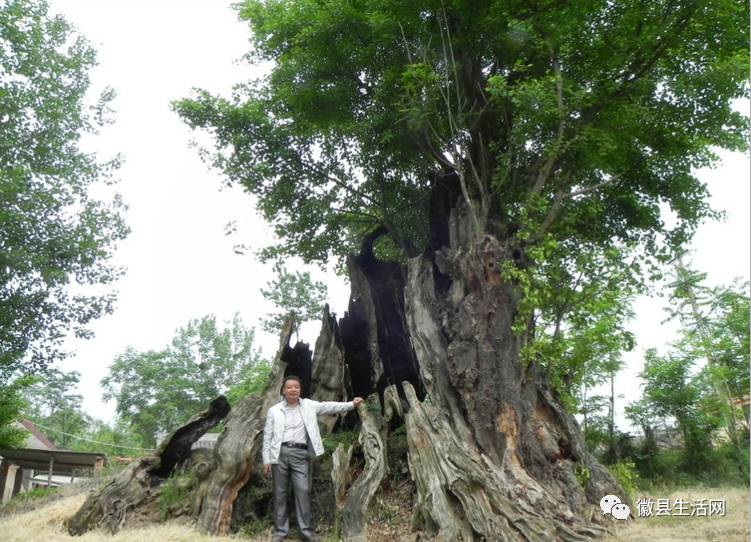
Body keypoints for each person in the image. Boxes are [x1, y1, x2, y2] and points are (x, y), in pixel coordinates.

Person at [262, 375, 364, 542]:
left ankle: (305, 532)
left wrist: (351, 404)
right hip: (279, 453)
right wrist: (266, 459)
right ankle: (280, 532)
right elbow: (267, 436)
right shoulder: (274, 411)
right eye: (290, 387)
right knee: (280, 493)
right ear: (283, 390)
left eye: (296, 386)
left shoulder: (309, 405)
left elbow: (329, 406)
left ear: (300, 390)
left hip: (300, 454)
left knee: (302, 491)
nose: (293, 389)